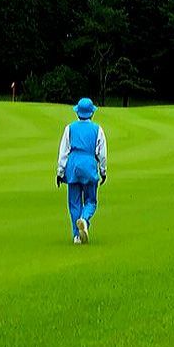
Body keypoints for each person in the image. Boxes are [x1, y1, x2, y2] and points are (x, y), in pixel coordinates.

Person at [56, 97, 107, 244]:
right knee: (91, 201)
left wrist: (60, 173)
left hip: (73, 167)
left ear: (77, 112)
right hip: (89, 165)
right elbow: (102, 154)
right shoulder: (98, 129)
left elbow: (63, 152)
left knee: (74, 202)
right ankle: (84, 219)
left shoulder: (69, 128)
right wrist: (103, 171)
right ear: (92, 113)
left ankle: (76, 235)